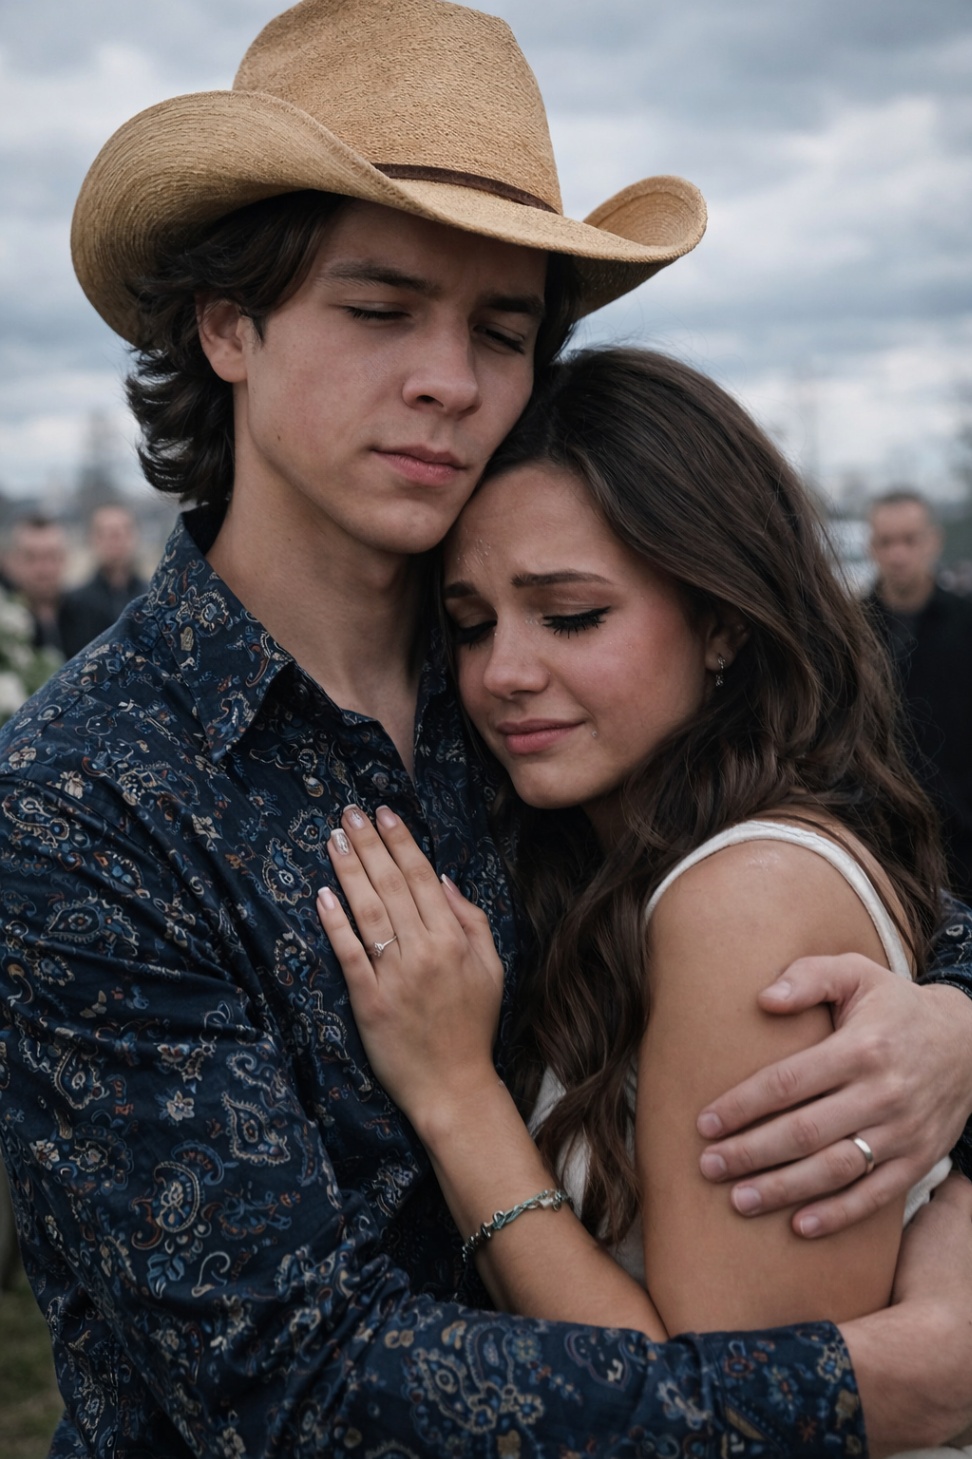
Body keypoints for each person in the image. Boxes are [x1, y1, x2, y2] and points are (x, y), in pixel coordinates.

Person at [1, 2, 972, 1454]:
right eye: (380, 309)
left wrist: (955, 1027)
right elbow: (286, 1384)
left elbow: (849, 903)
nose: (451, 381)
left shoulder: (540, 698)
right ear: (228, 325)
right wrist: (866, 1388)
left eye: (502, 331)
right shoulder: (82, 796)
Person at [314, 346, 964, 1368]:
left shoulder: (744, 899)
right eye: (471, 626)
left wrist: (456, 1098)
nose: (504, 672)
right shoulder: (602, 860)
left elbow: (737, 1409)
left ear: (721, 621)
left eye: (572, 615)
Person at [865, 490, 972, 903]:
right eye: (886, 541)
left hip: (962, 840)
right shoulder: (850, 631)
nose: (898, 554)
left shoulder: (965, 623)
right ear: (872, 547)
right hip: (878, 840)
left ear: (933, 542)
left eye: (910, 540)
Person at [58, 502, 148, 660]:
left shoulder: (153, 597)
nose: (116, 541)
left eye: (123, 532)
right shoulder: (74, 603)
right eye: (106, 534)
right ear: (92, 539)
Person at [3, 513, 67, 655]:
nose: (43, 569)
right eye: (31, 558)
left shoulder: (90, 616)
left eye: (51, 556)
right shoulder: (4, 625)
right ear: (12, 561)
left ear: (64, 558)